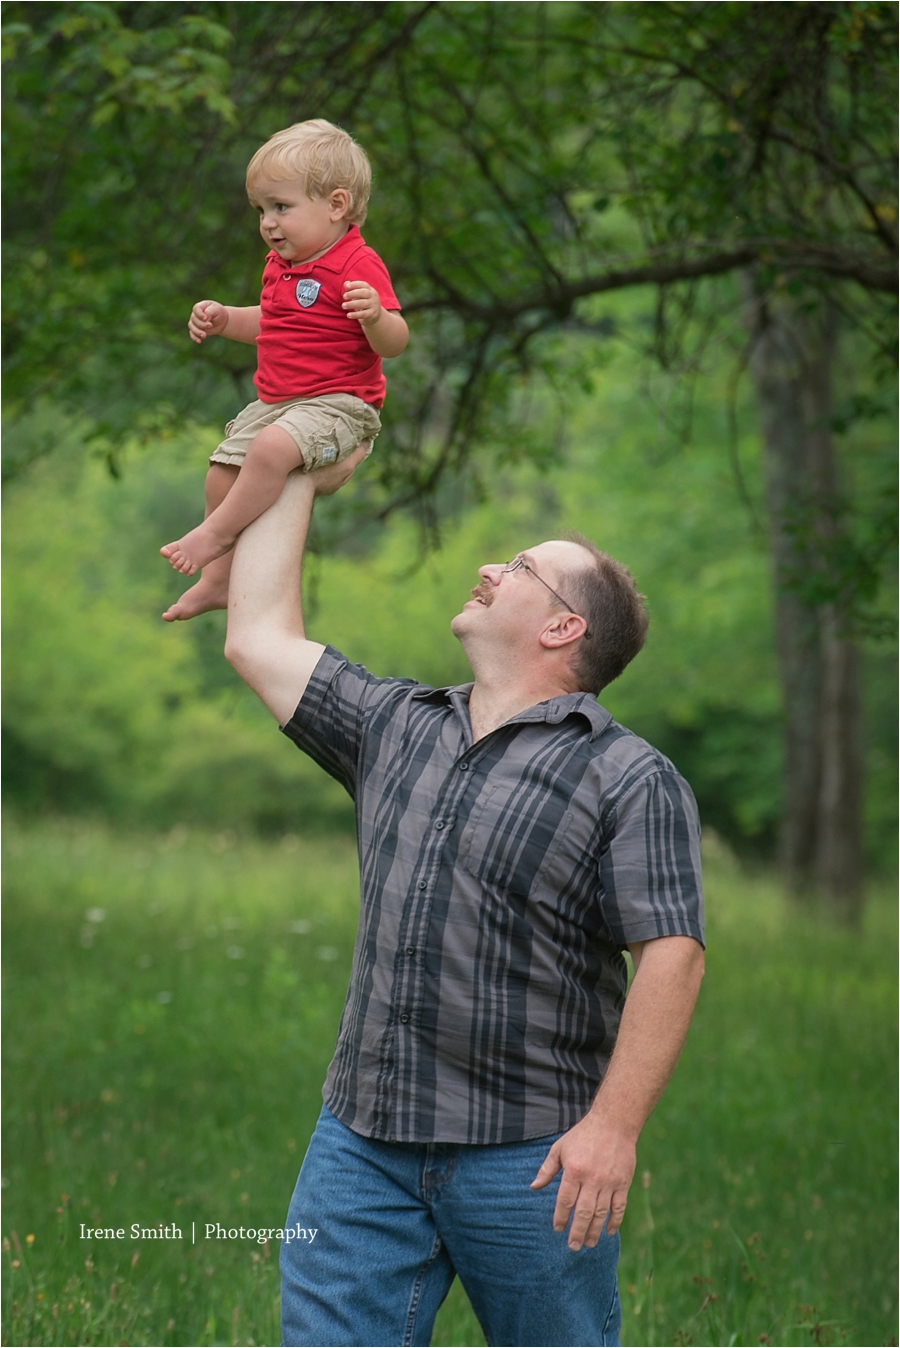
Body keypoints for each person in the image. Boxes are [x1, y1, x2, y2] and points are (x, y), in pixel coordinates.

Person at [223, 449, 705, 1348]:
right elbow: (256, 636)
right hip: (360, 1144)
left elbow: (672, 952)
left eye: (519, 567)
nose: (489, 567)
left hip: (531, 1158)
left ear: (564, 629)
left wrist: (615, 1128)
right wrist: (291, 458)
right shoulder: (396, 725)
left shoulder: (629, 778)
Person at [160, 119, 408, 623]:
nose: (268, 223)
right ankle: (219, 581)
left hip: (340, 404)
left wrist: (376, 317)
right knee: (220, 472)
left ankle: (214, 536)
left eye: (281, 207)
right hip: (279, 402)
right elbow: (272, 326)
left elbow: (396, 341)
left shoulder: (357, 264)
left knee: (271, 449)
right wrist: (226, 318)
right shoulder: (281, 265)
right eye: (261, 210)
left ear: (336, 206)